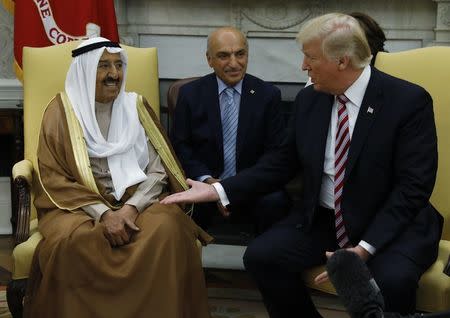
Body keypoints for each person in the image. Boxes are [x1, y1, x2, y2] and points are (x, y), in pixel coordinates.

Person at [162, 13, 443, 317]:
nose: (303, 66)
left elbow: (412, 188)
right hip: (326, 221)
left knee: (392, 282)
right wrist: (218, 191)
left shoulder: (407, 101)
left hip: (391, 226)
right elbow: (280, 163)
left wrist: (364, 249)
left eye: (310, 57)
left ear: (342, 61)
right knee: (262, 257)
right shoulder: (311, 99)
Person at [24, 37, 213, 318]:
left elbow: (158, 169)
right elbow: (54, 178)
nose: (114, 74)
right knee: (70, 242)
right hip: (80, 205)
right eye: (103, 66)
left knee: (168, 231)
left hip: (138, 200)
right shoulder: (61, 112)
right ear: (85, 70)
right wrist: (103, 213)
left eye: (118, 65)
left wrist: (130, 208)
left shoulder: (135, 106)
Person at [171, 26, 290, 234]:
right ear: (209, 60)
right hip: (204, 185)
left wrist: (232, 188)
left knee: (276, 202)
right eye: (224, 56)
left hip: (251, 186)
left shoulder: (268, 95)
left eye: (240, 54)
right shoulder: (190, 95)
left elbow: (275, 153)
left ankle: (264, 260)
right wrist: (209, 183)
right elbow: (181, 146)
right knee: (179, 206)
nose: (234, 63)